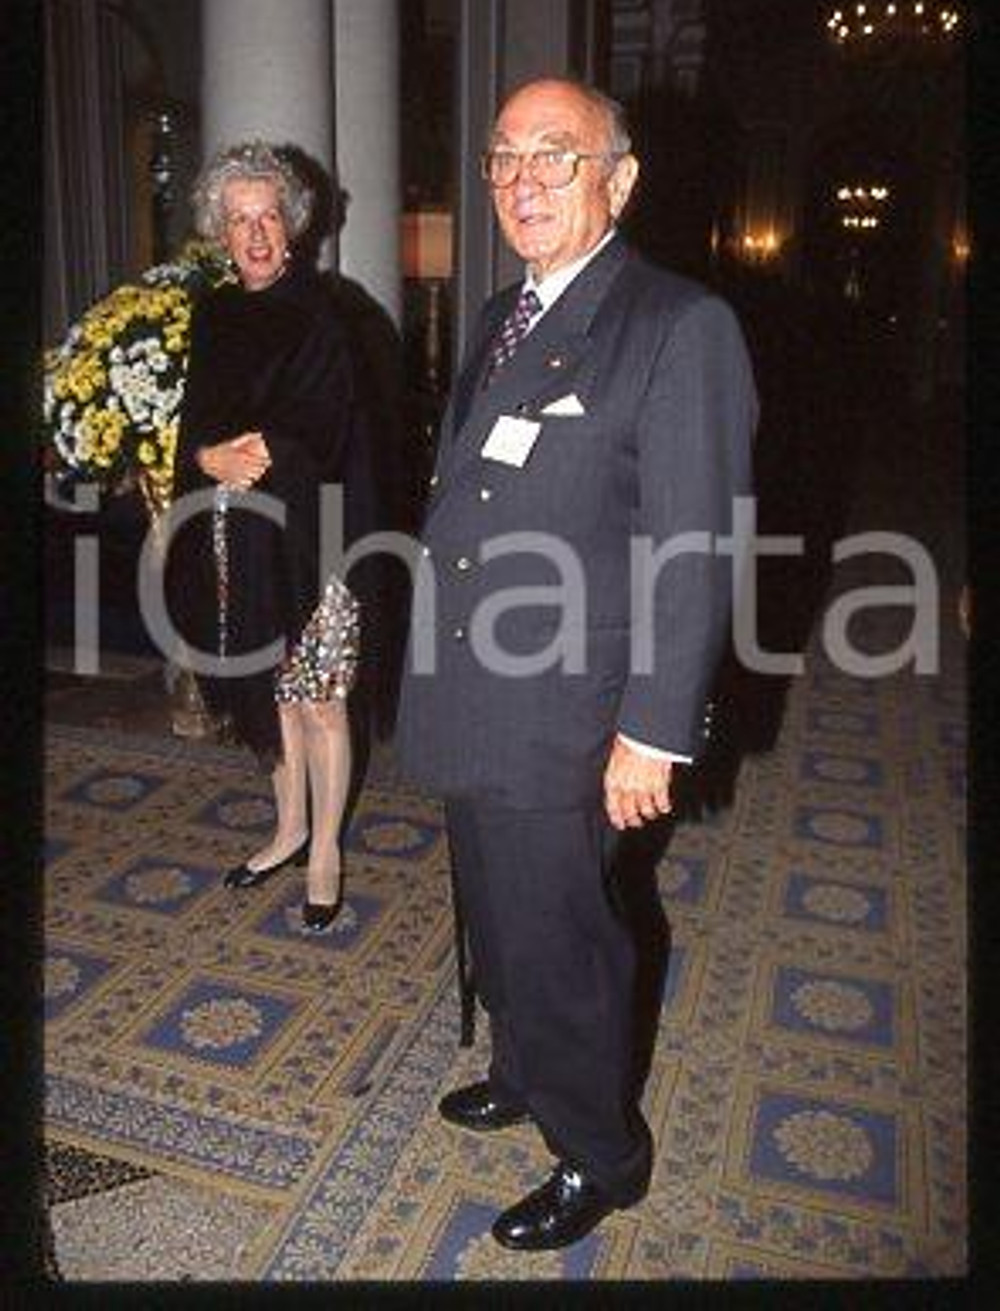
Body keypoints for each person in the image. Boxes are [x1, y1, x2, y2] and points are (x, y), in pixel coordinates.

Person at [395, 77, 758, 1251]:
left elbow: (694, 547)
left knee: (562, 936)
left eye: (556, 156)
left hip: (569, 703)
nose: (521, 182)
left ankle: (598, 1151)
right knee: (500, 917)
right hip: (476, 685)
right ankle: (521, 1063)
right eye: (503, 158)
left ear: (621, 178)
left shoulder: (673, 325)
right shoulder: (512, 313)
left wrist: (653, 730)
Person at [167, 140, 364, 933]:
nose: (255, 234)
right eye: (239, 220)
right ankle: (286, 827)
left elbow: (334, 421)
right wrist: (208, 454)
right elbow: (197, 419)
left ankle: (325, 852)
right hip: (235, 533)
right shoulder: (213, 312)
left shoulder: (327, 312)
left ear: (294, 225)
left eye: (269, 216)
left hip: (312, 538)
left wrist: (265, 450)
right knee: (269, 688)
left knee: (319, 699)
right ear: (220, 231)